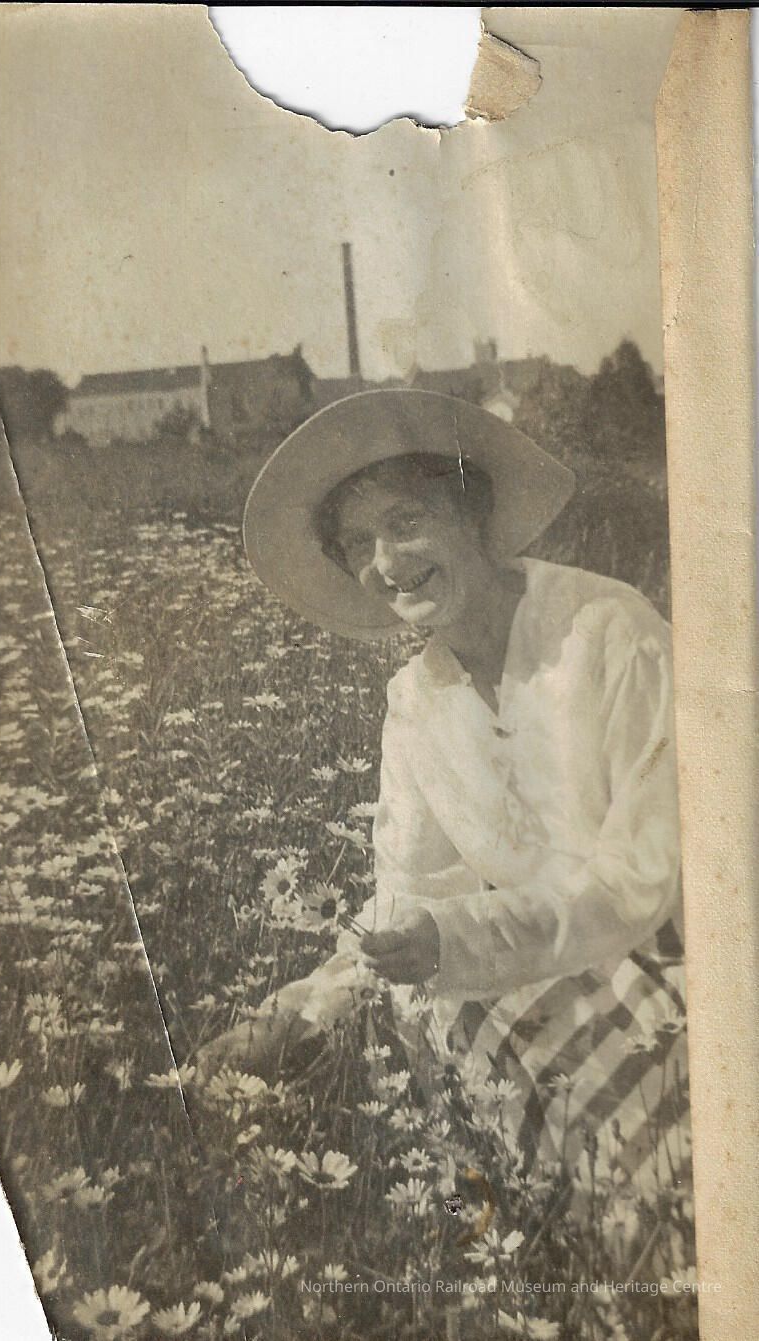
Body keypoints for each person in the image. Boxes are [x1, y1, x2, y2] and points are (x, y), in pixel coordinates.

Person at [198, 388, 689, 1195]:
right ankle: (549, 1201)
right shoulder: (415, 701)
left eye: (407, 521)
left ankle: (609, 1208)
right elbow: (410, 904)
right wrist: (293, 1013)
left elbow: (642, 881)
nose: (387, 562)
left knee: (462, 1006)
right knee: (428, 1004)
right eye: (358, 543)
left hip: (680, 964)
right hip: (544, 976)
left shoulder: (608, 631)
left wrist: (458, 940)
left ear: (472, 512)